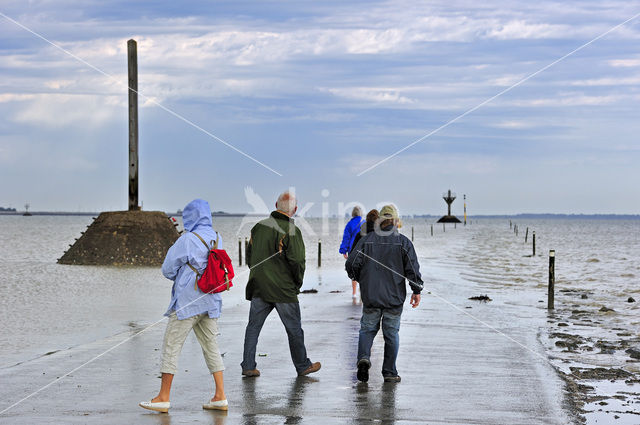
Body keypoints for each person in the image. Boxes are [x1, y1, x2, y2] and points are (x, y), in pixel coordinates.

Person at [139, 199, 228, 413]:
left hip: (188, 302)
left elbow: (167, 269)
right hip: (211, 300)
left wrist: (184, 276)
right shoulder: (217, 237)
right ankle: (220, 396)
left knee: (172, 346)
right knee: (211, 347)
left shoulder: (187, 239)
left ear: (190, 217)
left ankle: (163, 397)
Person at [241, 190, 321, 377]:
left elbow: (250, 257)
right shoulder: (292, 230)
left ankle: (248, 365)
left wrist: (259, 274)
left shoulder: (258, 227)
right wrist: (297, 284)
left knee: (253, 327)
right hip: (283, 289)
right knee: (294, 329)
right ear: (295, 210)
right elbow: (298, 262)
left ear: (276, 206)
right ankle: (302, 365)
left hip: (259, 286)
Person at [345, 204, 423, 383]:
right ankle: (389, 372)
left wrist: (359, 278)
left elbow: (351, 263)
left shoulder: (367, 240)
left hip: (371, 295)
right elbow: (413, 269)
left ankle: (363, 359)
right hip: (394, 298)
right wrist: (416, 290)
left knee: (366, 329)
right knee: (391, 334)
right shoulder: (403, 242)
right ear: (395, 221)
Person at [340, 206, 364, 300]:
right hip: (362, 249)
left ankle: (354, 292)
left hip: (352, 249)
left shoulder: (349, 224)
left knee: (354, 270)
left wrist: (343, 250)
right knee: (363, 270)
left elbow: (346, 238)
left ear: (353, 214)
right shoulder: (364, 223)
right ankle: (362, 292)